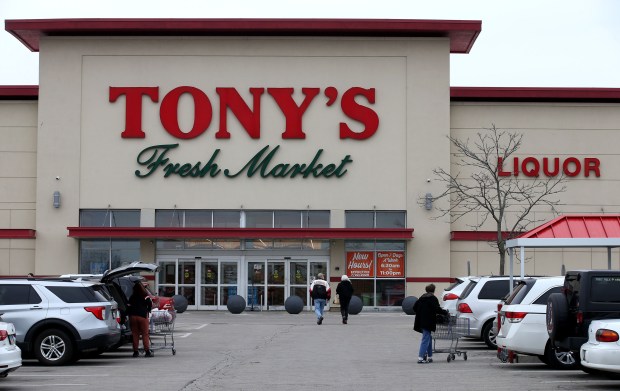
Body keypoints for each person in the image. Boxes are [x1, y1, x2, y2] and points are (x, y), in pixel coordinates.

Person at [412, 283, 448, 364]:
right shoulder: (433, 298)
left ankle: (430, 356)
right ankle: (420, 358)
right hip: (428, 321)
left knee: (429, 337)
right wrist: (445, 313)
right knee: (425, 338)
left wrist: (421, 312)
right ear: (433, 290)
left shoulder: (421, 298)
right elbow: (437, 309)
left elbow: (414, 308)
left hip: (421, 321)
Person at [127, 281, 153, 357]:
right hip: (142, 316)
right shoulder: (145, 296)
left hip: (133, 316)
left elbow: (129, 306)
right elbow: (150, 305)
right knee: (145, 334)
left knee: (135, 334)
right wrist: (148, 311)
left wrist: (125, 315)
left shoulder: (132, 296)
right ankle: (147, 351)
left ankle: (135, 352)